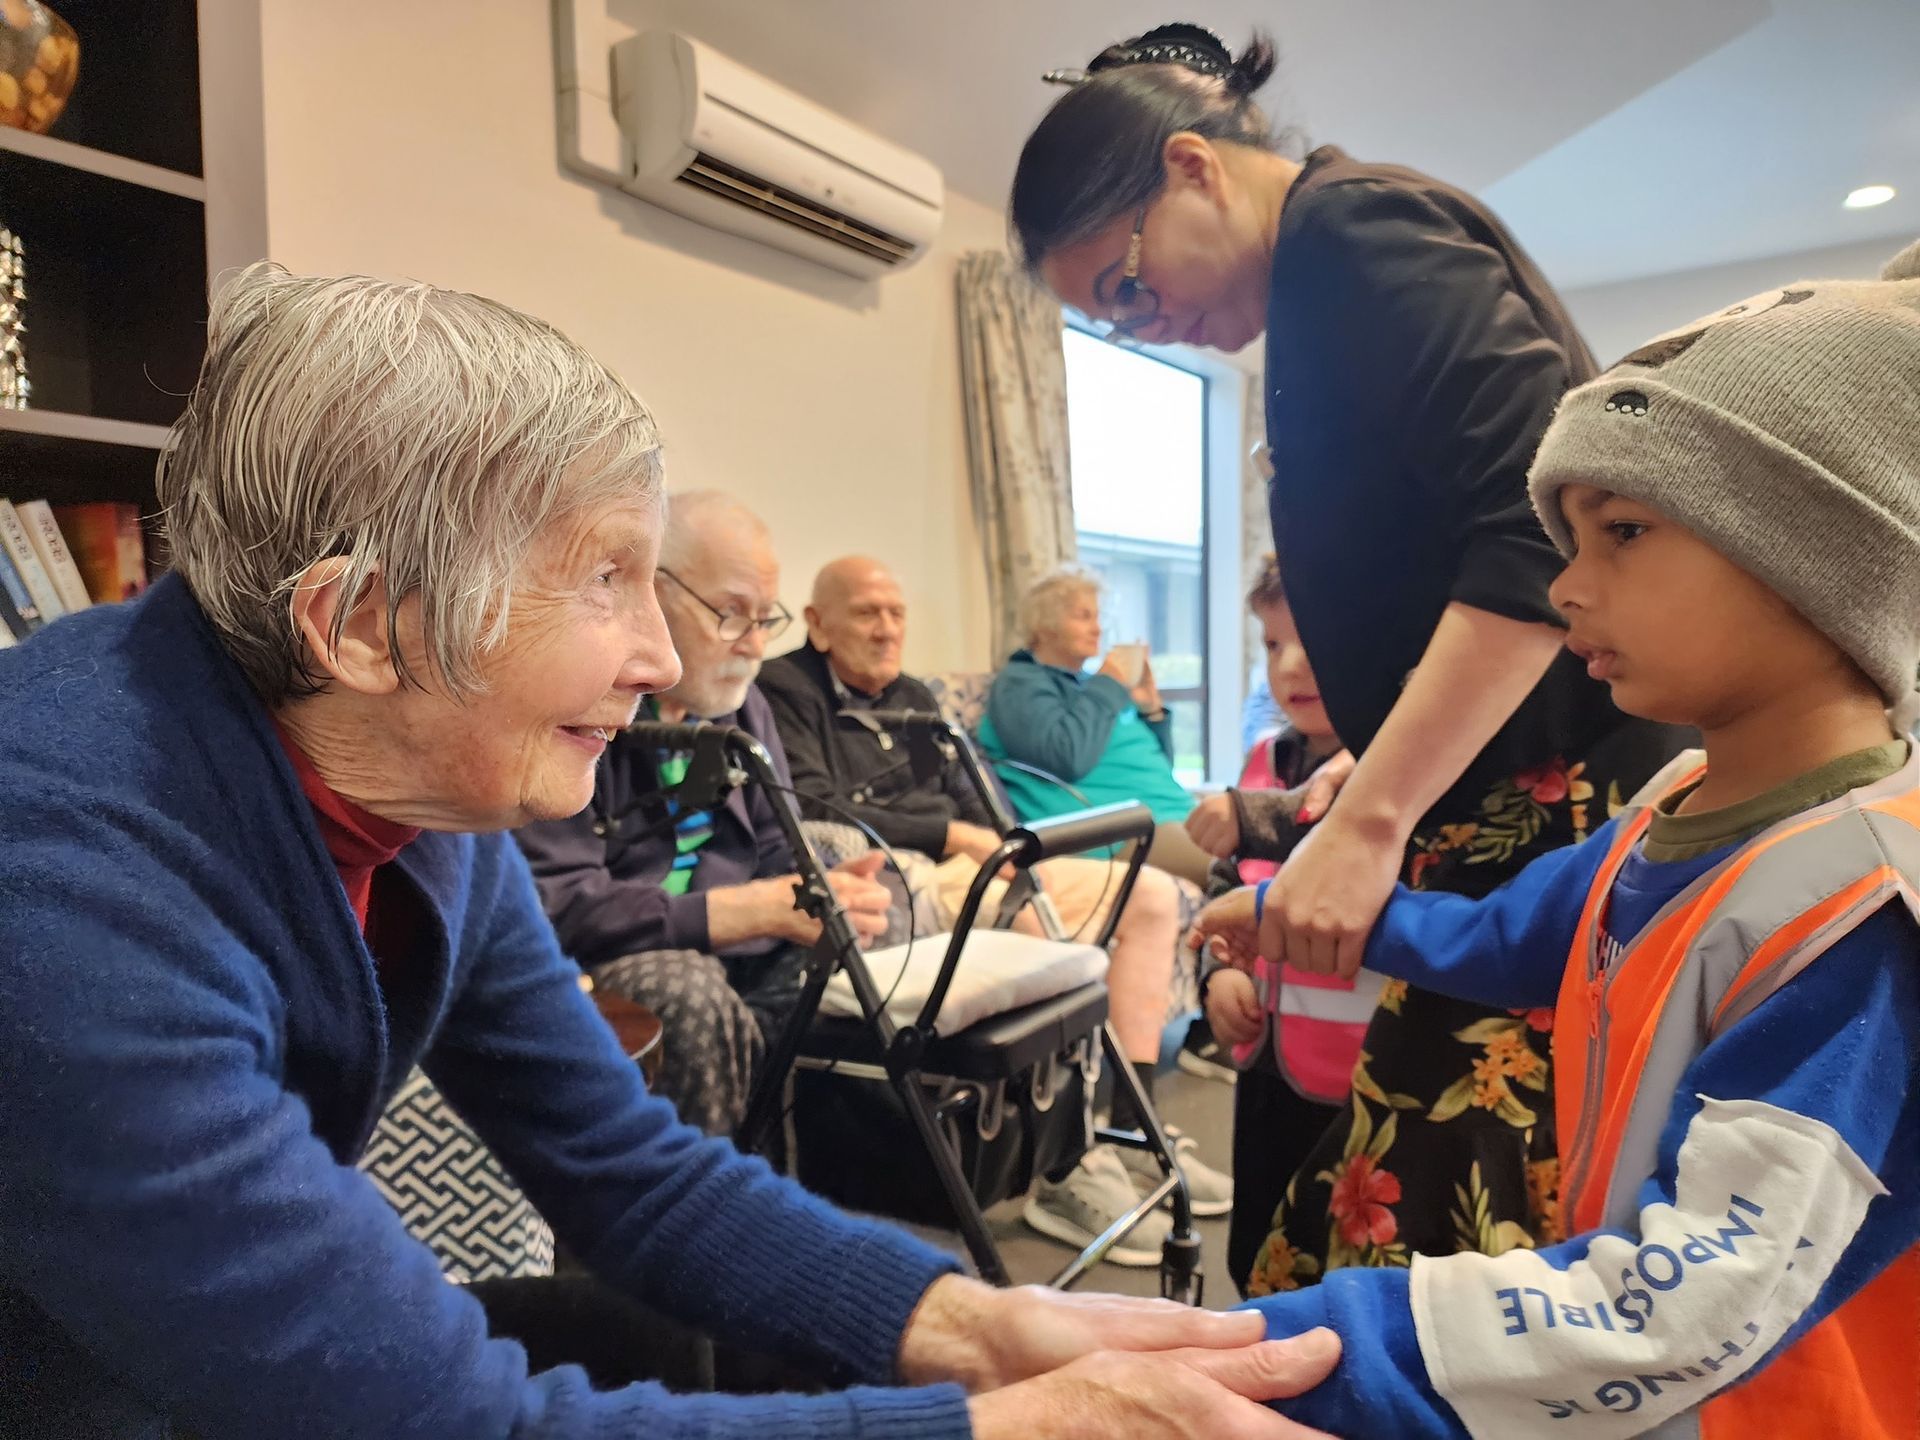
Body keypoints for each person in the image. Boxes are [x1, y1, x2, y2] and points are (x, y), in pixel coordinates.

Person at [0, 264, 1347, 1440]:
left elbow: (628, 1168)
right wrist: (1005, 1430)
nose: (658, 656)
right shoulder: (63, 890)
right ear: (359, 627)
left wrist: (989, 1330)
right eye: (603, 579)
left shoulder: (419, 781)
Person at [1195, 246, 1920, 1436]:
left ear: (1818, 563)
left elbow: (1685, 1305)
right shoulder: (1670, 807)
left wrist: (1298, 1341)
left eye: (1623, 531)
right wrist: (1293, 915)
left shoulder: (1855, 919)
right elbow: (1509, 938)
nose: (1566, 586)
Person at [1011, 22, 1691, 1285]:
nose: (1145, 322)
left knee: (1428, 1239)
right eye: (1117, 319)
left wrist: (1373, 822)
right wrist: (1374, 773)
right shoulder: (1328, 276)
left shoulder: (1356, 233)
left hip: (1556, 801)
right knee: (1414, 1227)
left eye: (1125, 283)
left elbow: (1526, 535)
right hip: (1506, 796)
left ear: (1192, 169)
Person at [759, 555, 1232, 1262]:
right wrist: (953, 834)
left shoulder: (915, 694)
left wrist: (1010, 842)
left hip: (975, 860)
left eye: (896, 613)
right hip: (903, 869)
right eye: (866, 613)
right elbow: (816, 802)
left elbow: (978, 791)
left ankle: (1127, 1123)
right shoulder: (786, 689)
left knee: (1153, 895)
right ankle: (1064, 1167)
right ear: (818, 624)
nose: (887, 629)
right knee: (1051, 931)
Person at [514, 494, 893, 1138]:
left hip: (730, 936)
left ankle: (804, 1168)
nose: (753, 645)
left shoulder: (744, 709)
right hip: (617, 951)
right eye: (730, 614)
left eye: (764, 619)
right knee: (691, 996)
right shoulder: (577, 704)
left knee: (869, 930)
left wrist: (820, 893)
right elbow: (563, 905)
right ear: (652, 592)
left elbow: (777, 843)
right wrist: (747, 913)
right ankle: (707, 1211)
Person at [1184, 556, 1364, 1296]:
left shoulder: (1389, 763)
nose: (1289, 665)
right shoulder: (1265, 758)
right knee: (1256, 1243)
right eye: (1270, 644)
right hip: (1270, 1061)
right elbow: (1227, 883)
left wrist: (1250, 819)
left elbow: (1333, 830)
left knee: (1343, 1253)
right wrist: (1218, 972)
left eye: (1312, 639)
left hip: (1363, 1071)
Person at [981, 565, 1217, 887]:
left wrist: (1151, 710)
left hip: (1168, 812)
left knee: (1266, 853)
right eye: (1083, 616)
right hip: (1114, 835)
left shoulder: (1090, 687)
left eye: (1097, 617)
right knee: (1241, 872)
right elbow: (1066, 757)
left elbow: (1157, 769)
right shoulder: (1020, 683)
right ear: (1044, 624)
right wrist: (1108, 684)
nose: (1097, 629)